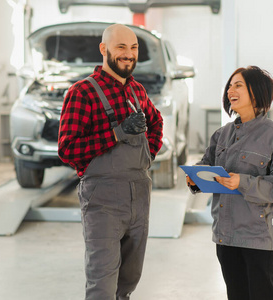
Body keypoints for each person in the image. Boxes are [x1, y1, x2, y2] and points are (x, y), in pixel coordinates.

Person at [58, 24, 164, 299]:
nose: (129, 55)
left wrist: (146, 156)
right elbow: (68, 149)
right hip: (103, 198)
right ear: (104, 49)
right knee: (102, 284)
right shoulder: (81, 93)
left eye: (134, 48)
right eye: (121, 47)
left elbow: (156, 122)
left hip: (139, 193)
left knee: (129, 279)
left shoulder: (137, 91)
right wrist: (117, 133)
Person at [186, 66, 273, 300]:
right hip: (225, 233)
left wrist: (243, 182)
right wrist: (195, 179)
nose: (231, 89)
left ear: (256, 92)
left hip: (258, 236)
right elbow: (206, 165)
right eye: (230, 85)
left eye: (238, 85)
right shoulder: (222, 134)